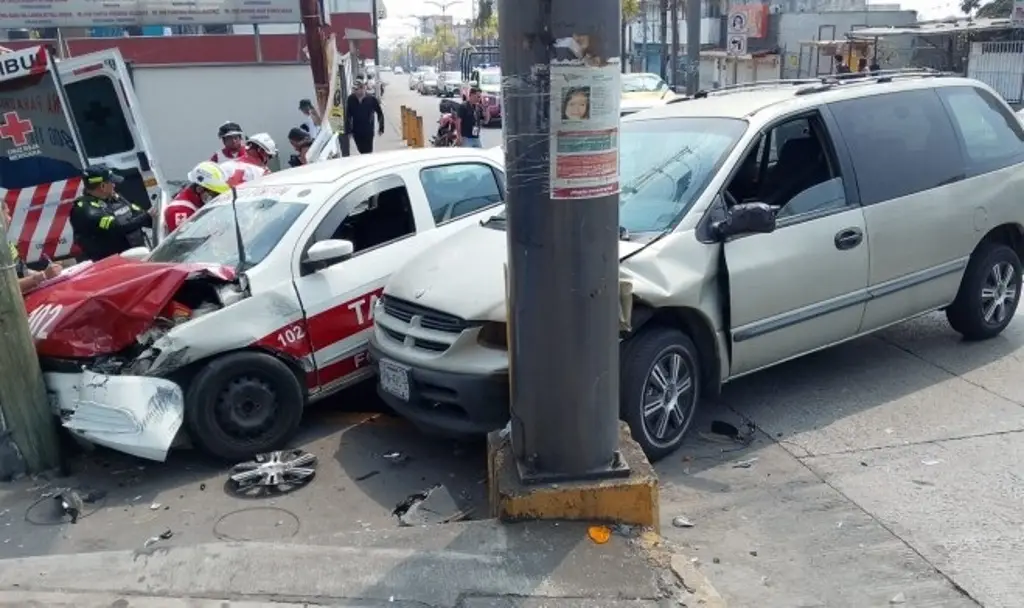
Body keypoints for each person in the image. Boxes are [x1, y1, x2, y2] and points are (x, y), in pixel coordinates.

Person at [69, 165, 154, 262]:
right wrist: (147, 216)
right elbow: (118, 228)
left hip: (138, 257)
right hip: (111, 267)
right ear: (103, 186)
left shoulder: (113, 197)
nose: (114, 185)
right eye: (112, 182)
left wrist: (156, 217)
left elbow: (138, 214)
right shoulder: (85, 210)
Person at [4, 205, 61, 294]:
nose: (10, 219)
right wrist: (43, 276)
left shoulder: (7, 242)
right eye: (6, 214)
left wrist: (50, 273)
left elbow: (22, 271)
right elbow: (7, 289)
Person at [163, 161, 231, 233]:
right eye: (215, 194)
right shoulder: (180, 211)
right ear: (200, 189)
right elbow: (187, 242)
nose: (218, 198)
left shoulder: (198, 202)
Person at [346, 80, 386, 154]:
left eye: (356, 89)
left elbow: (380, 113)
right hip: (356, 131)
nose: (354, 91)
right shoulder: (351, 99)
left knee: (367, 152)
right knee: (361, 151)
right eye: (354, 89)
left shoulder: (372, 99)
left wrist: (381, 128)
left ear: (363, 88)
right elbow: (348, 115)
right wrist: (348, 130)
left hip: (368, 131)